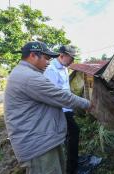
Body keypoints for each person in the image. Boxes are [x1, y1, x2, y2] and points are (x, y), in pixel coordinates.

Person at [4, 41, 91, 174]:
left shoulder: (24, 73)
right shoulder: (29, 77)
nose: (49, 62)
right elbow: (60, 96)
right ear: (33, 55)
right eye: (46, 58)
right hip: (37, 144)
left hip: (42, 137)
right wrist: (88, 104)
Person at [44, 45, 81, 174]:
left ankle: (71, 162)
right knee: (74, 132)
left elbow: (65, 89)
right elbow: (54, 96)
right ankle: (71, 168)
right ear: (62, 55)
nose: (72, 61)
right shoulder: (51, 70)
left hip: (67, 108)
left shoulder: (64, 68)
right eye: (71, 58)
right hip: (59, 110)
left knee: (69, 135)